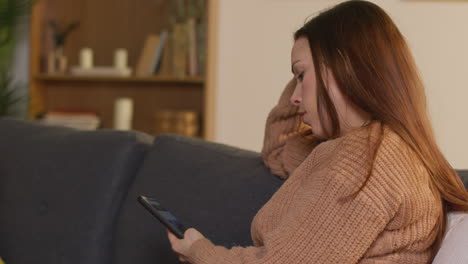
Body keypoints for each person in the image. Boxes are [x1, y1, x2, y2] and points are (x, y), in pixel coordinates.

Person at [167, 0, 468, 263]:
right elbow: (279, 151)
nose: (295, 97)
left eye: (301, 75)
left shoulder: (366, 159)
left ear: (345, 66)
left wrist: (199, 251)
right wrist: (305, 76)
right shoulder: (370, 148)